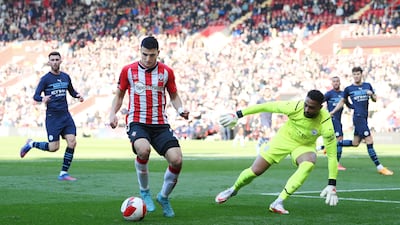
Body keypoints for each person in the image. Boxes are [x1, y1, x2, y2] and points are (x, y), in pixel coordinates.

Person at [216, 90, 339, 214]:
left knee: (309, 163)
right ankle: (233, 189)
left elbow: (332, 155)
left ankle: (278, 202)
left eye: (311, 107)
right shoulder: (295, 107)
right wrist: (238, 114)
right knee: (256, 171)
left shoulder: (326, 124)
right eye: (305, 104)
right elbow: (266, 106)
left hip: (304, 146)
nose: (306, 109)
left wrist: (332, 184)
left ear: (320, 107)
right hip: (283, 140)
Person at [109, 36, 189, 218]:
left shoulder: (167, 72)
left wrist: (181, 109)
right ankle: (144, 191)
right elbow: (119, 95)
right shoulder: (128, 71)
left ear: (158, 53)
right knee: (143, 150)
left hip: (160, 124)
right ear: (140, 51)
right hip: (137, 121)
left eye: (152, 55)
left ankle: (163, 197)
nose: (147, 59)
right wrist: (112, 113)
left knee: (177, 160)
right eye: (144, 54)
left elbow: (174, 96)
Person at [19, 51, 84, 181]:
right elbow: (36, 96)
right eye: (52, 60)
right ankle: (31, 144)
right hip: (52, 117)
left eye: (56, 59)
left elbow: (71, 91)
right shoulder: (45, 79)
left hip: (65, 116)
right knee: (54, 147)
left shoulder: (66, 77)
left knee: (72, 142)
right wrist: (43, 98)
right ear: (49, 62)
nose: (54, 62)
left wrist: (77, 95)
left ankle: (63, 173)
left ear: (61, 61)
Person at [329, 66, 394, 176]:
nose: (356, 76)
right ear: (352, 76)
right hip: (358, 118)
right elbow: (342, 102)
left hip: (364, 117)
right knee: (369, 141)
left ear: (361, 74)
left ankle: (331, 145)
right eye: (354, 74)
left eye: (358, 74)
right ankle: (380, 167)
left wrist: (371, 94)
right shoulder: (349, 89)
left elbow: (374, 99)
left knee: (355, 143)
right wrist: (333, 112)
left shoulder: (367, 85)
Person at [324, 76, 352, 171]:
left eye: (337, 81)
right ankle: (336, 163)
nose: (336, 83)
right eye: (334, 81)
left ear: (340, 83)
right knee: (339, 140)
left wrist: (356, 106)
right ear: (332, 83)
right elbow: (319, 104)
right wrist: (325, 114)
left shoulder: (343, 94)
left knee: (336, 141)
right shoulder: (328, 94)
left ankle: (326, 149)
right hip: (331, 120)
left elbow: (348, 104)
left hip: (338, 121)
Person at [255, 87, 274, 154]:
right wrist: (257, 119)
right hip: (263, 119)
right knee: (268, 134)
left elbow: (275, 111)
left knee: (266, 135)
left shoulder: (273, 100)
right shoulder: (260, 101)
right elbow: (257, 110)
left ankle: (259, 144)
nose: (267, 93)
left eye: (268, 91)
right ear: (264, 93)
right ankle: (266, 150)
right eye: (266, 91)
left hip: (270, 119)